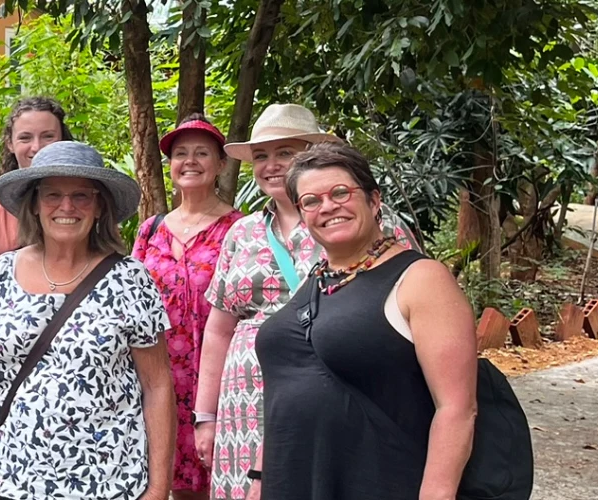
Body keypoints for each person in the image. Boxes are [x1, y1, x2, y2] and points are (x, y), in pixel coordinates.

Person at [192, 104, 419, 500]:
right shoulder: (241, 233)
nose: (272, 165)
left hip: (338, 391)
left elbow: (412, 306)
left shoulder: (368, 220)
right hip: (245, 403)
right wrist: (206, 415)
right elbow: (219, 327)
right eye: (261, 156)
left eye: (285, 152)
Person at [0, 141, 175, 500]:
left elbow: (158, 386)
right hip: (14, 477)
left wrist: (159, 487)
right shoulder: (3, 272)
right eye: (52, 195)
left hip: (108, 481)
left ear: (99, 206)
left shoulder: (131, 279)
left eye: (81, 196)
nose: (66, 207)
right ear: (35, 205)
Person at [256, 143, 478, 499]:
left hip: (381, 480)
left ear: (374, 201)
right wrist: (259, 477)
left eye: (341, 192)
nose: (327, 206)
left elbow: (456, 408)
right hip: (292, 481)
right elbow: (286, 392)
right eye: (311, 201)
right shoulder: (316, 281)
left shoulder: (421, 279)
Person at [132, 116, 243, 500]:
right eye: (181, 154)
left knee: (221, 480)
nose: (190, 161)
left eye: (202, 153)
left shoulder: (240, 229)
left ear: (221, 164)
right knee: (165, 482)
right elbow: (133, 306)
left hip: (218, 380)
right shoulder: (150, 230)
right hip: (160, 380)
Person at [0, 97, 73, 263]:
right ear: (10, 144)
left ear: (63, 140)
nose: (37, 147)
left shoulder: (85, 202)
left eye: (48, 136)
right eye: (25, 138)